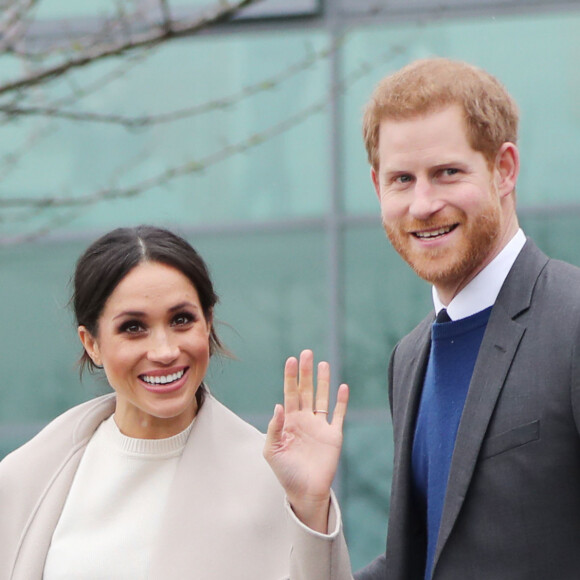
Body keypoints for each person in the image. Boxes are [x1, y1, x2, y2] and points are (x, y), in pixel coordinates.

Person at [267, 56, 580, 580]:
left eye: (447, 173)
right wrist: (310, 507)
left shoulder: (572, 320)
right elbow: (422, 562)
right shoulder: (410, 358)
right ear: (376, 188)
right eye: (402, 180)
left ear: (504, 170)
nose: (423, 204)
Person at [0, 225, 353, 579]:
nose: (165, 351)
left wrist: (310, 507)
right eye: (133, 327)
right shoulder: (26, 481)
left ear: (208, 323)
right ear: (91, 343)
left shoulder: (273, 480)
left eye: (181, 320)